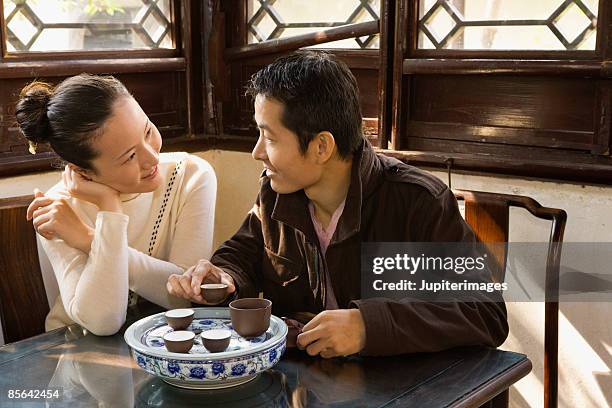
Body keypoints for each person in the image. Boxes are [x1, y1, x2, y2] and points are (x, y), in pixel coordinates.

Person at [167, 51, 508, 357]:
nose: (257, 153)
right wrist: (222, 276)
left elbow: (485, 312)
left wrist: (368, 326)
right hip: (308, 386)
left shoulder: (418, 202)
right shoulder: (275, 192)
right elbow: (242, 254)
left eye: (269, 137)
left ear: (321, 147)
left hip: (397, 390)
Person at [16, 74, 217, 335]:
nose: (152, 156)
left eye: (147, 130)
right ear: (84, 172)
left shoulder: (191, 175)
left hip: (166, 344)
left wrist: (89, 240)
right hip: (78, 354)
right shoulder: (57, 209)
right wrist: (110, 209)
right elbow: (102, 321)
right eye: (130, 156)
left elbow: (184, 297)